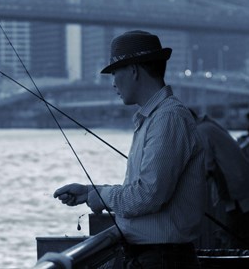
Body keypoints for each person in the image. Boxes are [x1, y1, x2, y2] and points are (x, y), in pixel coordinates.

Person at [53, 30, 206, 268]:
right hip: (156, 256)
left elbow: (148, 196)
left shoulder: (167, 119)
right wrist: (90, 192)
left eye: (114, 72)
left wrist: (101, 196)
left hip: (162, 259)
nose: (113, 82)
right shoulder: (153, 119)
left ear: (133, 70)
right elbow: (146, 189)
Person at [191, 109, 249, 249]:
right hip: (242, 187)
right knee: (242, 231)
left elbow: (207, 167)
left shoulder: (201, 131)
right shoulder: (209, 126)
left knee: (237, 233)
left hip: (237, 192)